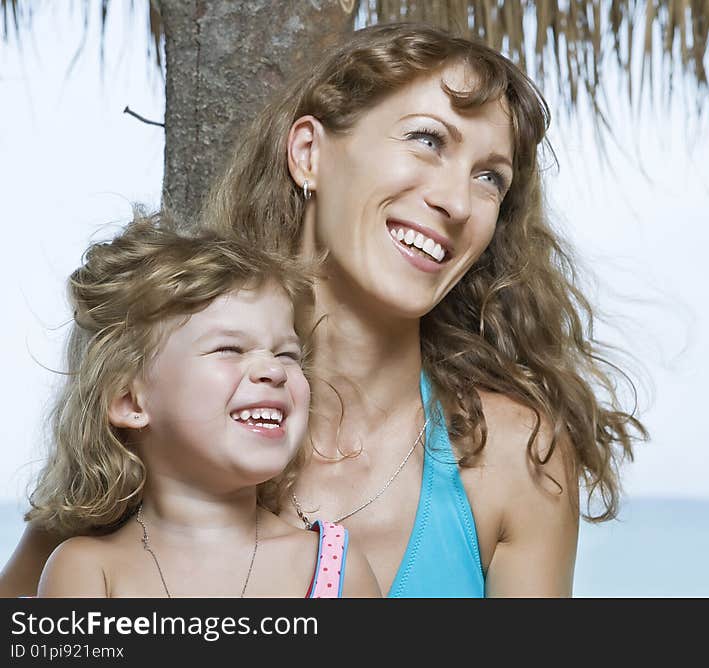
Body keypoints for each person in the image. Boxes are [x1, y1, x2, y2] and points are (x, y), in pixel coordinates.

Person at [1, 22, 645, 597]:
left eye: (490, 178)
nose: (456, 200)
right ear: (309, 153)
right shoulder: (165, 422)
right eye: (427, 140)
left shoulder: (515, 456)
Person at [31, 214, 379, 597]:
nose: (273, 370)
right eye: (229, 349)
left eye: (287, 354)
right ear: (130, 401)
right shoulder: (87, 571)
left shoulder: (333, 566)